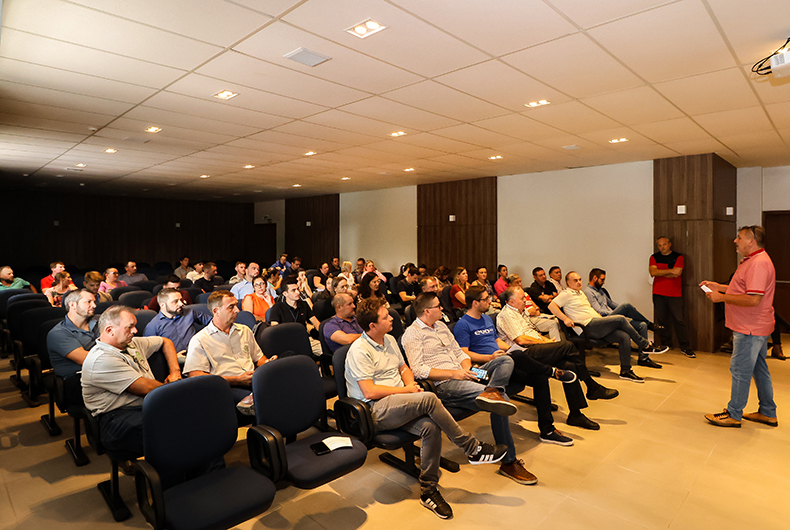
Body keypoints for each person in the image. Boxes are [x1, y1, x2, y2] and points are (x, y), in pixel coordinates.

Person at [346, 297, 507, 519]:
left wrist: (410, 385)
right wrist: (407, 391)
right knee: (429, 398)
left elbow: (404, 368)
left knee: (430, 427)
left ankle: (428, 490)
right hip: (374, 410)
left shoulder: (389, 339)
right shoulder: (359, 350)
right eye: (385, 317)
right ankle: (472, 448)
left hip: (399, 401)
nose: (392, 318)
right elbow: (369, 392)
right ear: (372, 326)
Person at [403, 292, 538, 487]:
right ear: (427, 311)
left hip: (468, 372)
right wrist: (455, 374)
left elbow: (460, 353)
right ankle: (509, 462)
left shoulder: (441, 326)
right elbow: (418, 370)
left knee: (505, 360)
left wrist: (467, 369)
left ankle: (493, 390)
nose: (442, 309)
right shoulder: (412, 334)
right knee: (501, 401)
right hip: (446, 383)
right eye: (438, 306)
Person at [457, 286, 601, 441]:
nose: (490, 301)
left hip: (505, 361)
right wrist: (489, 358)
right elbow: (464, 353)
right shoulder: (463, 325)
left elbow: (497, 341)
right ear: (475, 303)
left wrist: (510, 350)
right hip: (486, 369)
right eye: (485, 299)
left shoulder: (485, 319)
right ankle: (553, 372)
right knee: (527, 355)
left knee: (540, 375)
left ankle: (547, 430)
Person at [702, 226, 778, 428]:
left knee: (740, 370)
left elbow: (753, 299)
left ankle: (734, 413)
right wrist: (719, 287)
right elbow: (744, 290)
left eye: (739, 237)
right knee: (759, 369)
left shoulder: (758, 263)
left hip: (750, 328)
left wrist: (721, 298)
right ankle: (768, 412)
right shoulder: (754, 260)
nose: (735, 241)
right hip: (755, 326)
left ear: (751, 241)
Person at [81, 305, 181, 455]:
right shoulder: (102, 359)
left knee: (185, 418)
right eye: (130, 327)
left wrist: (175, 372)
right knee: (174, 426)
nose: (135, 330)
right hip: (116, 418)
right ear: (110, 330)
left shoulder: (130, 343)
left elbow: (165, 342)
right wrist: (181, 394)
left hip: (144, 406)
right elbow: (147, 388)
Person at [495, 285, 619, 406]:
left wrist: (547, 341)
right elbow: (521, 340)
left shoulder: (521, 312)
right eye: (522, 298)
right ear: (511, 302)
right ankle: (591, 385)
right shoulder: (507, 314)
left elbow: (533, 333)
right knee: (568, 346)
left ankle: (576, 413)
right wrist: (545, 343)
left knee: (569, 366)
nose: (525, 301)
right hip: (521, 355)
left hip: (534, 349)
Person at [549, 271, 668, 383]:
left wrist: (600, 318)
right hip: (586, 326)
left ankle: (625, 371)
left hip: (596, 323)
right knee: (621, 319)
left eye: (580, 279)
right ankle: (645, 345)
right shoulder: (566, 293)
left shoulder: (580, 293)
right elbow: (551, 306)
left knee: (623, 336)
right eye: (575, 280)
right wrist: (565, 319)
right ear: (568, 283)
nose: (579, 282)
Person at [185, 291, 275, 402]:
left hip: (253, 380)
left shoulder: (244, 330)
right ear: (216, 311)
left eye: (236, 305)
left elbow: (259, 358)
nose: (237, 310)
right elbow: (196, 376)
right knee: (263, 399)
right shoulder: (200, 339)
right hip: (226, 387)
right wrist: (237, 380)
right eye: (231, 307)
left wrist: (268, 363)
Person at [583, 268, 664, 369]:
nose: (603, 282)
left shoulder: (601, 291)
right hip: (604, 320)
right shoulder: (588, 292)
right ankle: (650, 325)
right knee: (626, 306)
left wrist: (624, 310)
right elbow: (598, 310)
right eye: (602, 280)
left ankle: (643, 358)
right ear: (595, 278)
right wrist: (620, 312)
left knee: (642, 325)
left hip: (613, 316)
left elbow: (611, 304)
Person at [47, 290, 98, 406]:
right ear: (72, 305)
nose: (94, 305)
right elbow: (87, 360)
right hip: (78, 379)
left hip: (103, 371)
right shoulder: (58, 333)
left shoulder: (99, 322)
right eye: (88, 302)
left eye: (94, 302)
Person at [650, 237, 695, 358]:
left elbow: (677, 272)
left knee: (679, 320)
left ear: (669, 244)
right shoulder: (654, 257)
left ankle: (685, 347)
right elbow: (653, 272)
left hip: (674, 294)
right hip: (658, 293)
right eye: (660, 245)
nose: (662, 247)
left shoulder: (678, 257)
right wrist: (670, 271)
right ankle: (666, 344)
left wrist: (661, 271)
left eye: (664, 244)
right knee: (661, 320)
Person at [145, 288, 211, 355]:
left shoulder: (189, 312)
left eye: (180, 300)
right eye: (175, 301)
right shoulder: (153, 326)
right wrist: (174, 357)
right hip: (174, 359)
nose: (181, 304)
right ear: (162, 305)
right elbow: (150, 353)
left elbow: (212, 322)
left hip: (198, 353)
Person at [269, 276, 322, 355]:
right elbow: (275, 329)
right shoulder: (277, 308)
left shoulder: (303, 304)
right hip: (286, 342)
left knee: (323, 351)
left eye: (298, 289)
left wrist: (323, 334)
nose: (298, 292)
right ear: (285, 294)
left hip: (304, 339)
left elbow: (316, 322)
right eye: (293, 290)